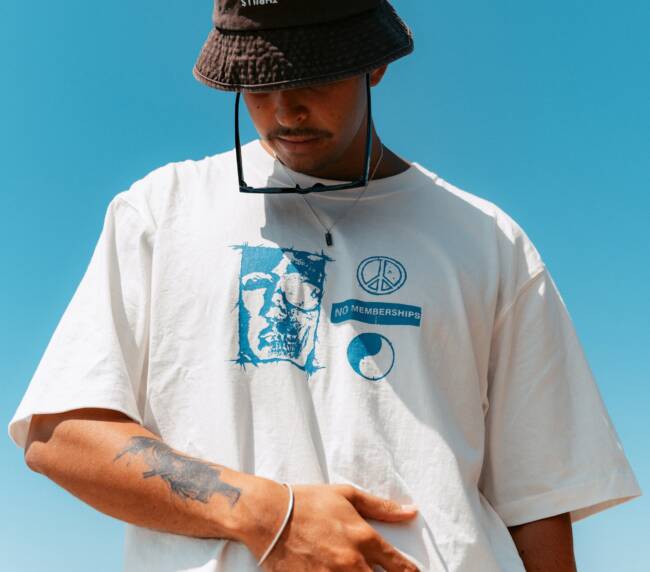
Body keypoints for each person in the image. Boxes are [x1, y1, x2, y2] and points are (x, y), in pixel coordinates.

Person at [8, 1, 642, 571]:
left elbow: (538, 505)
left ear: (375, 64)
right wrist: (268, 514)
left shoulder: (488, 241)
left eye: (312, 74)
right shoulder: (160, 212)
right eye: (259, 82)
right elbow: (60, 435)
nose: (285, 110)